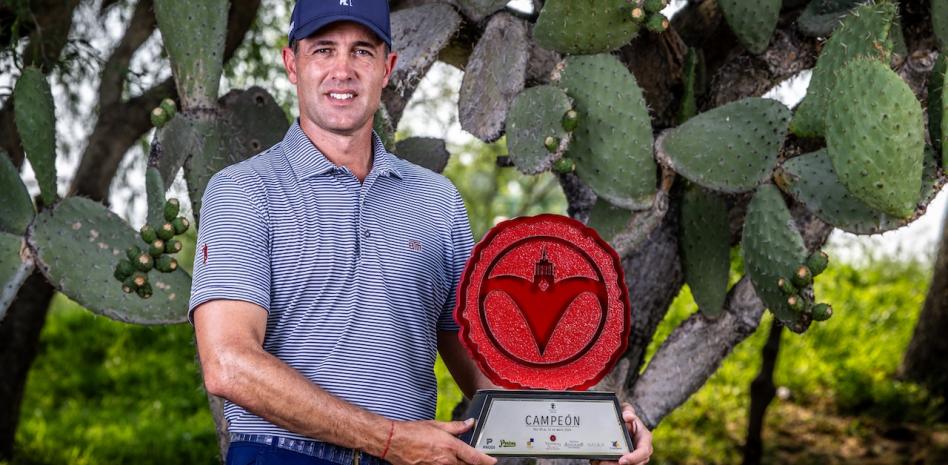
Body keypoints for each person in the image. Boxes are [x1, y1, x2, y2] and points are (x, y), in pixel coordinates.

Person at [189, 1, 654, 465]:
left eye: (363, 52)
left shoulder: (437, 201)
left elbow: (487, 372)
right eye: (323, 50)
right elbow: (230, 366)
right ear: (293, 64)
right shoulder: (244, 191)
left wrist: (594, 433)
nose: (343, 70)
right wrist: (389, 439)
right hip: (283, 456)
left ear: (388, 67)